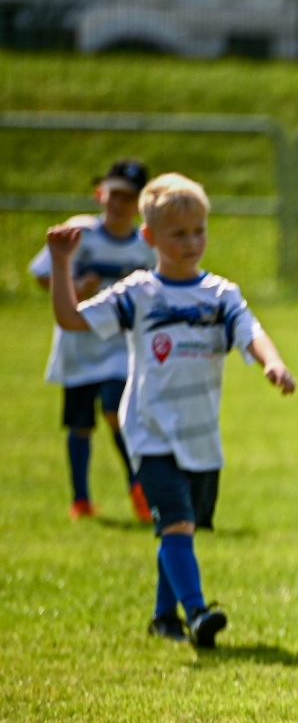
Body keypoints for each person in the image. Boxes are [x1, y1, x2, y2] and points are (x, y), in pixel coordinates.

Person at [44, 173, 297, 649]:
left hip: (200, 432)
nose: (191, 242)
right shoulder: (138, 294)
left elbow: (251, 331)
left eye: (199, 231)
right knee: (176, 521)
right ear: (149, 237)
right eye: (178, 234)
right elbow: (71, 319)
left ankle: (164, 618)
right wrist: (62, 263)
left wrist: (273, 362)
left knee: (180, 528)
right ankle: (197, 613)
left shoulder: (220, 294)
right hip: (150, 430)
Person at [28, 158, 158, 522]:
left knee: (118, 411)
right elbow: (41, 274)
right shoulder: (80, 233)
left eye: (128, 197)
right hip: (79, 345)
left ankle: (139, 487)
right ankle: (81, 500)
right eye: (114, 194)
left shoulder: (145, 245)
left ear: (140, 204)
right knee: (80, 424)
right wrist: (74, 285)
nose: (119, 204)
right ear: (100, 193)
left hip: (120, 346)